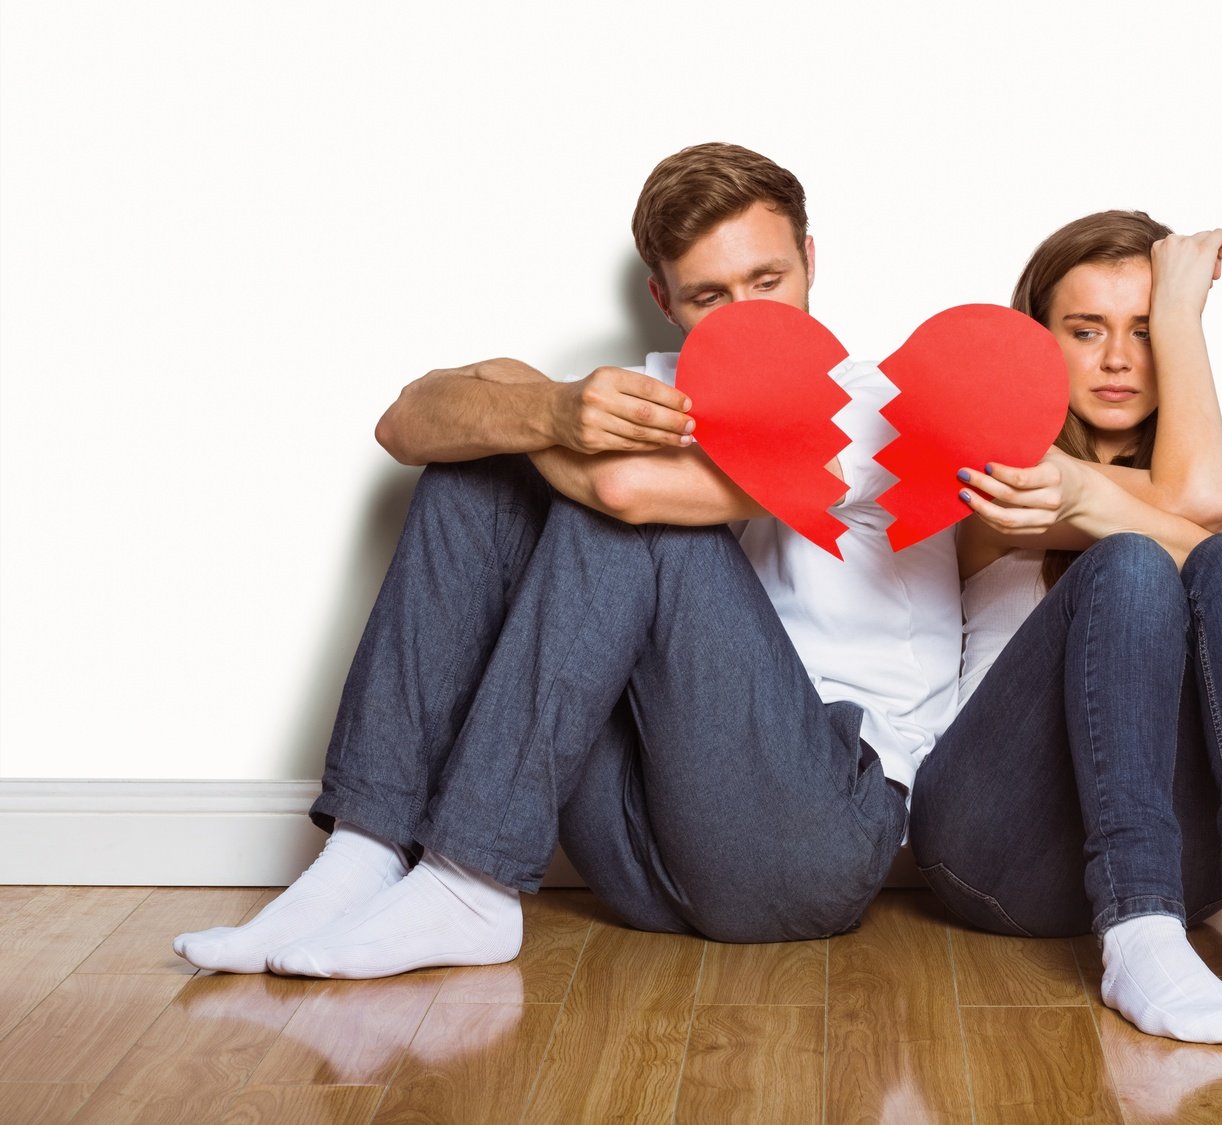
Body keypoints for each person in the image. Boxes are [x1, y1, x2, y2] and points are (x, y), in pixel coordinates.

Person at [173, 142, 961, 978]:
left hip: (814, 841)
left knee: (614, 502)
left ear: (810, 260)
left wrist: (529, 409)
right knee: (477, 466)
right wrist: (544, 405)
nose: (748, 317)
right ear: (663, 299)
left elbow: (627, 495)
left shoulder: (884, 411)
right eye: (709, 295)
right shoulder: (657, 393)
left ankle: (470, 884)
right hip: (646, 847)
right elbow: (406, 423)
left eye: (768, 281)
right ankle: (361, 857)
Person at [908, 210, 1222, 1044]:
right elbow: (1189, 512)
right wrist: (1092, 501)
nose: (1118, 358)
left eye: (1147, 331)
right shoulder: (996, 457)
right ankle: (1138, 934)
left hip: (1189, 864)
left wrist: (1183, 320)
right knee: (1133, 563)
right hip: (994, 840)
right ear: (1038, 338)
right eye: (1085, 330)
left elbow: (1212, 515)